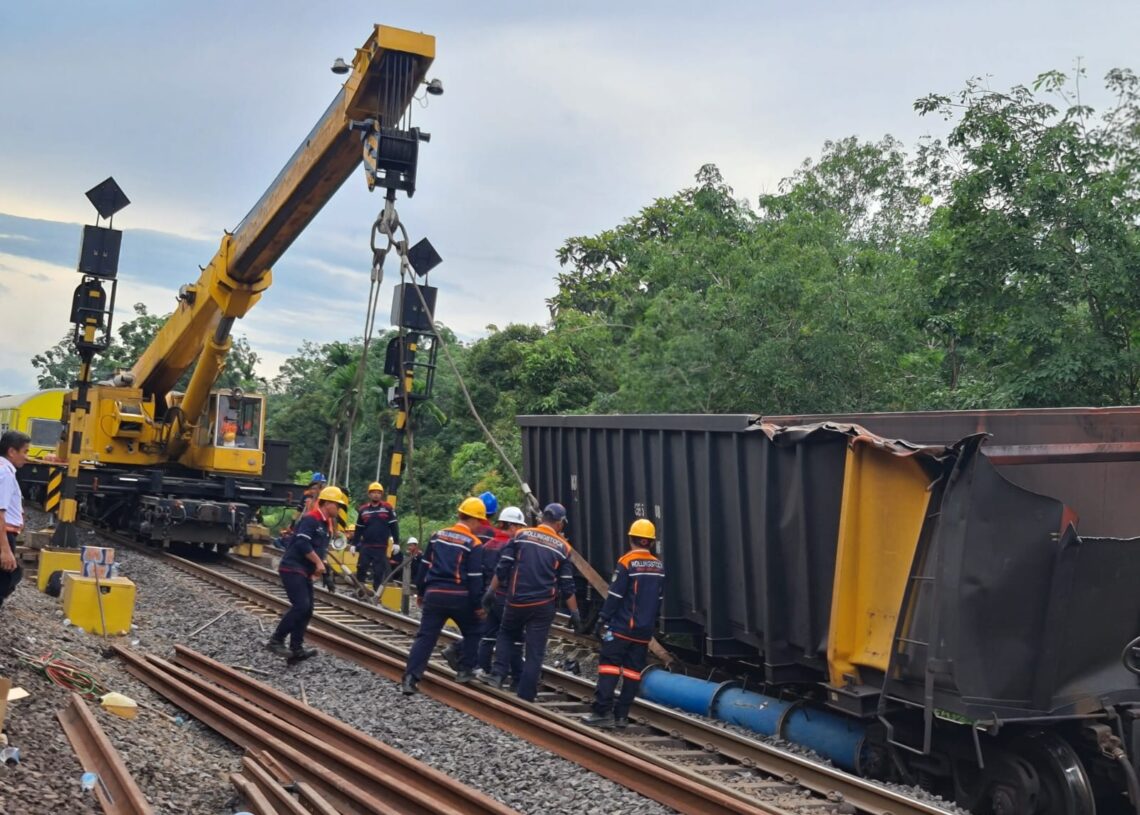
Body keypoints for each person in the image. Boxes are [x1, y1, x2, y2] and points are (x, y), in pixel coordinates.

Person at [487, 502, 580, 702]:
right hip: (542, 606)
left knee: (506, 634)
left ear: (542, 519)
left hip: (516, 600)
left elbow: (503, 566)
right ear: (560, 523)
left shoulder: (521, 536)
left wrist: (490, 591)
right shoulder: (564, 548)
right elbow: (567, 586)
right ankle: (526, 694)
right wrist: (575, 613)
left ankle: (497, 675)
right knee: (535, 651)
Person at [582, 519, 665, 728]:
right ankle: (621, 716)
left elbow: (615, 595)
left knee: (609, 667)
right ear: (651, 542)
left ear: (631, 539)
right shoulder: (658, 566)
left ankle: (602, 712)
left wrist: (602, 619)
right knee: (632, 672)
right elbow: (659, 600)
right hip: (644, 631)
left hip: (622, 627)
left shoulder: (626, 562)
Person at [400, 498, 488, 695]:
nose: (480, 526)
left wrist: (421, 592)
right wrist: (478, 606)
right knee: (476, 630)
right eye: (479, 522)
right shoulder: (474, 543)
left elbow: (424, 566)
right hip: (460, 597)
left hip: (434, 595)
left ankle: (410, 679)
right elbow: (475, 579)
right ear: (474, 520)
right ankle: (465, 670)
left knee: (425, 637)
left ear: (459, 514)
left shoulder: (437, 536)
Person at [267, 485, 347, 660]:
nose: (339, 509)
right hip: (292, 567)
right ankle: (276, 640)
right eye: (338, 505)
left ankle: (296, 649)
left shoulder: (326, 525)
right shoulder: (311, 519)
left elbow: (321, 551)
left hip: (304, 570)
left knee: (308, 609)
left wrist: (327, 575)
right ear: (327, 503)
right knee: (301, 606)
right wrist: (318, 562)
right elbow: (303, 544)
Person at [442, 490, 500, 669]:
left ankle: (465, 656)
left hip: (461, 582)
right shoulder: (493, 533)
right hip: (482, 583)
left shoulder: (459, 530)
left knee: (475, 625)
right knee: (483, 626)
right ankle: (466, 658)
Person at [475, 506, 527, 681]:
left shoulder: (488, 544)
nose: (521, 531)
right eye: (519, 527)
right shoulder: (512, 546)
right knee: (514, 636)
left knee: (488, 633)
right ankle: (516, 676)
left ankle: (482, 668)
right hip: (505, 595)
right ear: (512, 526)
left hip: (489, 595)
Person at [0, 430, 30, 611]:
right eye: (25, 451)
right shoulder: (6, 474)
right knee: (8, 578)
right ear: (12, 451)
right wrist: (5, 550)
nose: (27, 457)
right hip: (4, 534)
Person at [352, 481, 398, 592]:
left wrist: (396, 543)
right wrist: (354, 544)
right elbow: (359, 529)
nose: (376, 494)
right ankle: (360, 590)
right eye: (373, 492)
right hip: (366, 546)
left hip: (381, 546)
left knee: (378, 571)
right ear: (369, 494)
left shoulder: (387, 508)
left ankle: (376, 593)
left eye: (378, 493)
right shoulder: (363, 510)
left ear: (381, 495)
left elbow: (394, 526)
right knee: (361, 567)